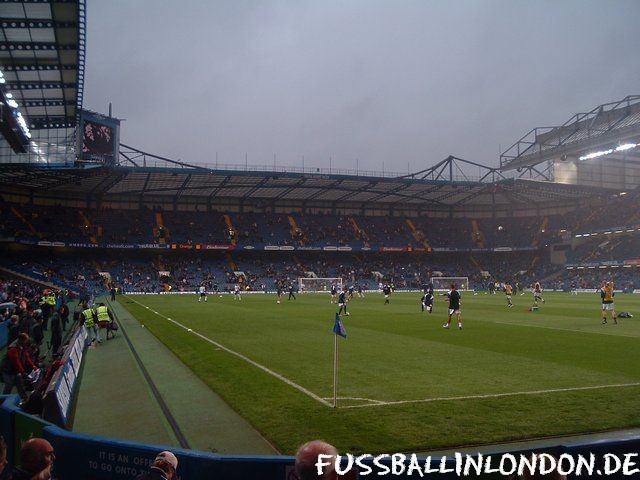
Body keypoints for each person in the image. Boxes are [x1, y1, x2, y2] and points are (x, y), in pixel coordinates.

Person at [1, 333, 37, 401]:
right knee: (8, 386)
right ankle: (2, 401)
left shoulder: (21, 346)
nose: (26, 342)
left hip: (16, 370)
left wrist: (33, 366)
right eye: (26, 340)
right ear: (21, 340)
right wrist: (23, 372)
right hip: (8, 371)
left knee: (20, 385)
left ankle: (25, 399)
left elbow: (26, 356)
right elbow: (16, 362)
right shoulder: (13, 349)